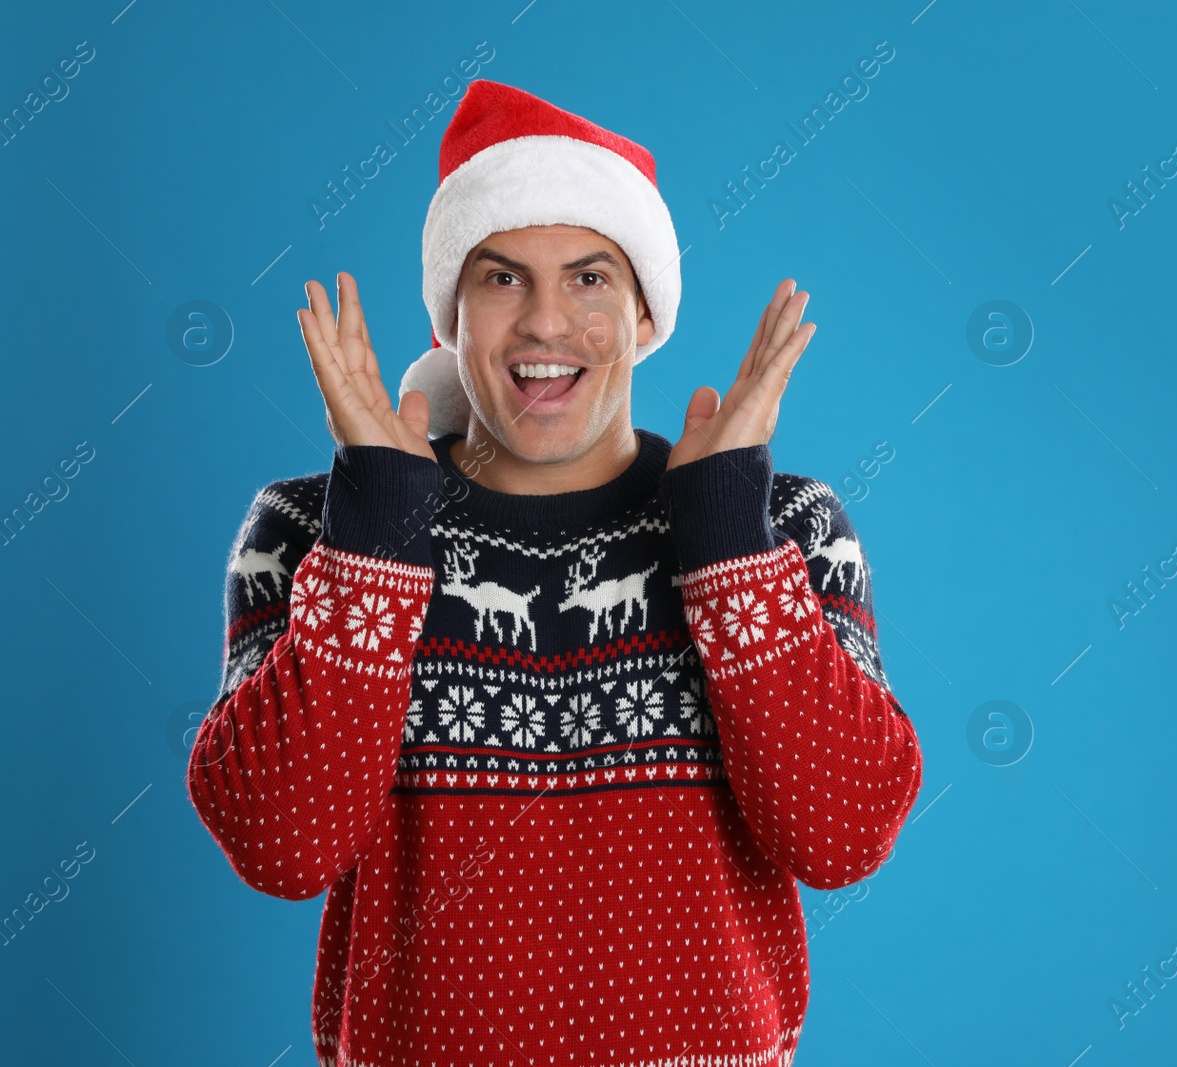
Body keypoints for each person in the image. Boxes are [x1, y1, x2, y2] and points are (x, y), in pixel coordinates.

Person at [187, 79, 923, 1067]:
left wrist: (725, 547)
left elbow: (841, 833)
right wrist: (377, 533)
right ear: (451, 316)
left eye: (587, 278)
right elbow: (282, 843)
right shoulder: (308, 528)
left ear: (642, 311)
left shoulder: (784, 525)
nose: (545, 323)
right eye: (501, 278)